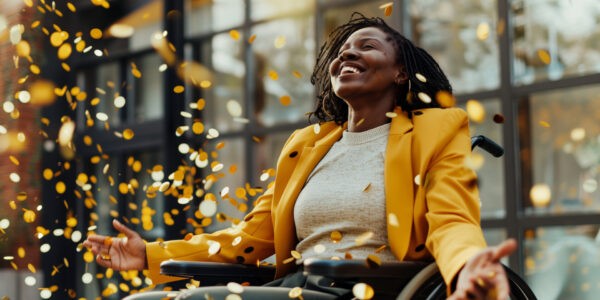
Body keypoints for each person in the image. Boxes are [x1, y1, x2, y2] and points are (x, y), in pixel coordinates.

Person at [84, 13, 517, 300]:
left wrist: (466, 263)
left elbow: (452, 219)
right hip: (300, 287)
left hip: (367, 289)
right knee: (143, 299)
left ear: (401, 70)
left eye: (366, 46)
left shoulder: (435, 131)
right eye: (343, 50)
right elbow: (250, 237)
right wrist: (151, 255)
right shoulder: (308, 146)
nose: (347, 53)